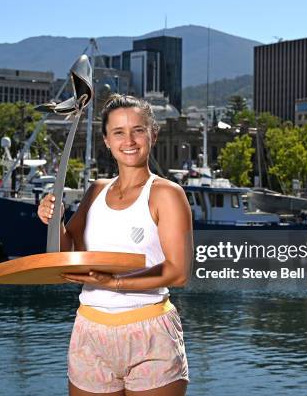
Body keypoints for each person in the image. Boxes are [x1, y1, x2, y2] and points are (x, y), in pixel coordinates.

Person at [37, 94, 193, 396]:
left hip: (150, 331)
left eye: (138, 129)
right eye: (118, 132)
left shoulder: (167, 194)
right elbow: (68, 254)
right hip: (90, 331)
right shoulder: (95, 191)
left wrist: (114, 282)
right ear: (106, 140)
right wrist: (54, 220)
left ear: (153, 134)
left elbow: (179, 272)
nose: (129, 140)